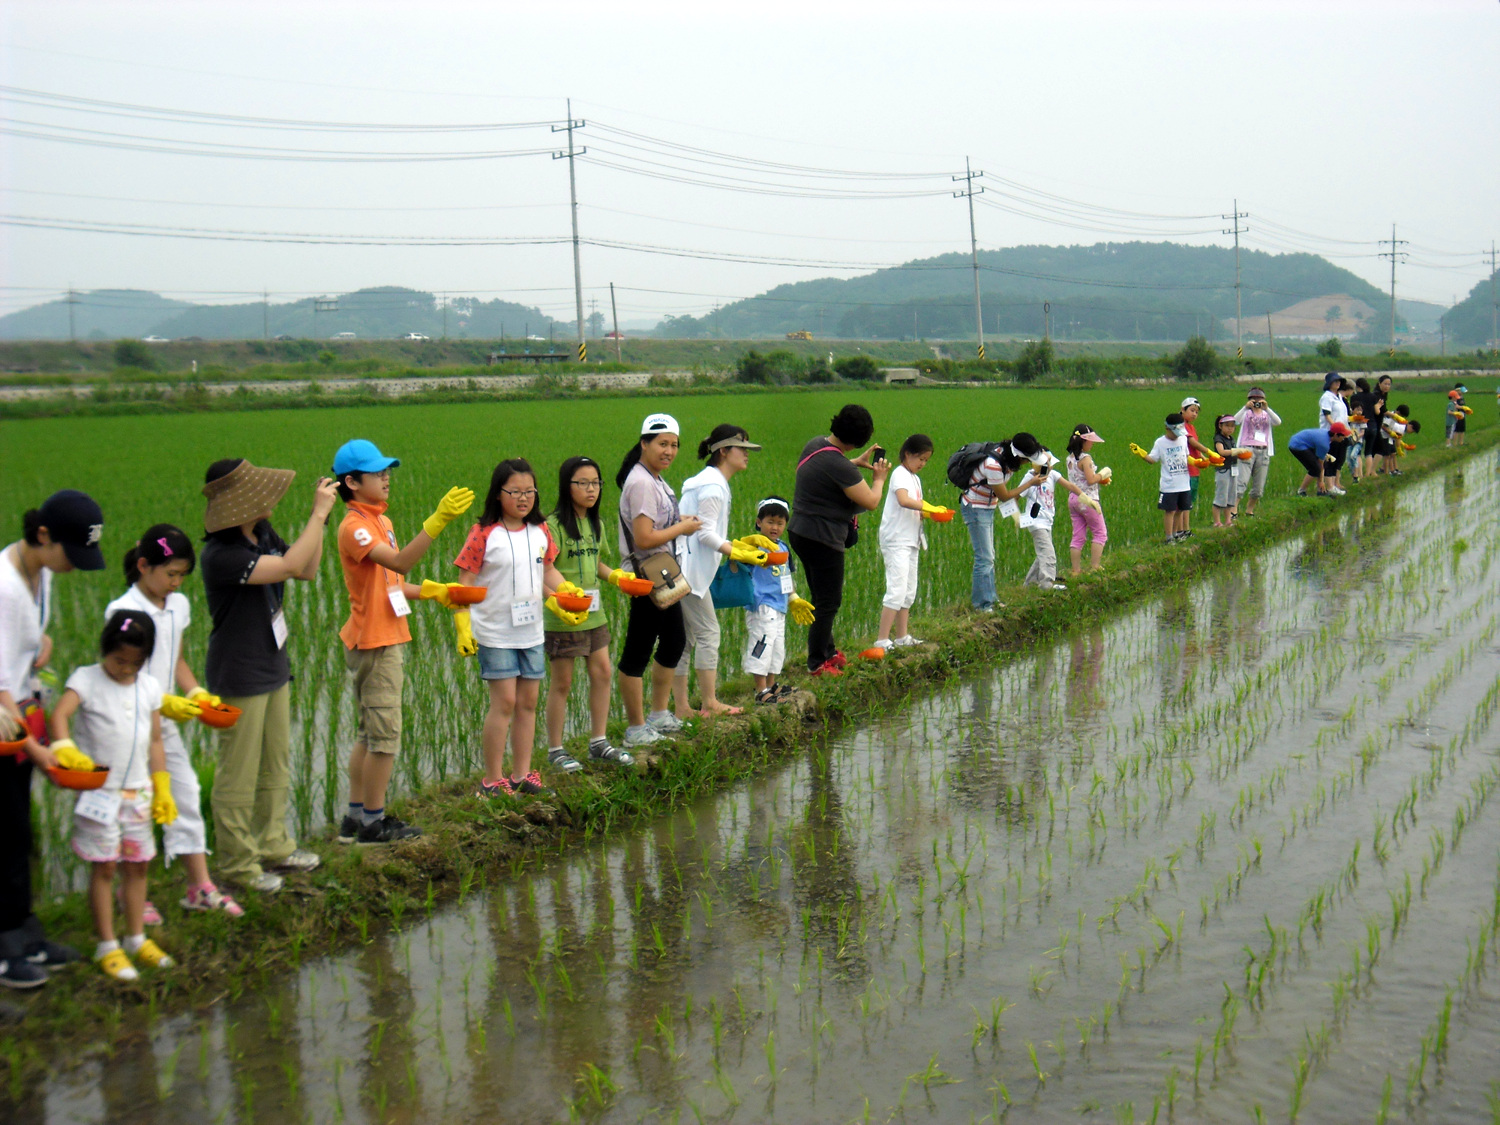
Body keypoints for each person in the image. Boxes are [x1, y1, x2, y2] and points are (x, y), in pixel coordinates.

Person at [201, 459, 336, 894]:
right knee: (238, 772)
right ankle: (239, 864)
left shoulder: (261, 535)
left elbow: (308, 569)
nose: (269, 499)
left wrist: (323, 520)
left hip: (274, 664)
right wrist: (316, 516)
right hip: (239, 673)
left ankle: (274, 845)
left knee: (275, 763)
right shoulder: (222, 556)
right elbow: (290, 567)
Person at [331, 439, 474, 845]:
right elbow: (399, 562)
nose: (386, 477)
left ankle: (355, 819)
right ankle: (373, 824)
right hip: (373, 642)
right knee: (384, 738)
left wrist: (434, 591)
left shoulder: (383, 522)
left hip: (384, 635)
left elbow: (393, 582)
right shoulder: (354, 527)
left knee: (368, 733)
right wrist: (437, 521)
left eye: (387, 470)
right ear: (352, 482)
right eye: (377, 473)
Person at [106, 525, 241, 918]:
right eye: (170, 574)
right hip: (127, 725)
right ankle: (130, 894)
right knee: (136, 808)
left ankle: (199, 887)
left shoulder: (177, 605)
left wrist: (195, 692)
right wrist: (162, 701)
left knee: (184, 796)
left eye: (182, 575)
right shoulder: (123, 612)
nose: (176, 582)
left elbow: (176, 660)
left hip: (161, 726)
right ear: (143, 566)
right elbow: (121, 676)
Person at [0, 489, 102, 988]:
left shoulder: (39, 574)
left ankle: (26, 932)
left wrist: (41, 643)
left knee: (20, 832)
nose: (72, 566)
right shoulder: (3, 586)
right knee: (4, 834)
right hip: (5, 725)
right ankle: (5, 948)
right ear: (43, 535)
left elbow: (19, 647)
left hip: (16, 718)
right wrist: (38, 750)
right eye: (70, 552)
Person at [48, 610, 177, 981]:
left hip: (138, 792)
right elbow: (60, 716)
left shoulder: (148, 687)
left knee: (137, 865)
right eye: (119, 660)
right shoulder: (85, 680)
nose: (125, 668)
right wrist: (63, 747)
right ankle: (108, 944)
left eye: (134, 663)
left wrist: (162, 785)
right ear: (106, 649)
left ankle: (137, 938)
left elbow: (154, 740)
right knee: (104, 866)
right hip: (99, 796)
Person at [454, 458, 574, 798]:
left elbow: (548, 571)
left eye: (530, 491)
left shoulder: (540, 532)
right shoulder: (483, 534)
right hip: (494, 631)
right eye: (515, 492)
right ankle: (492, 780)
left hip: (531, 630)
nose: (524, 498)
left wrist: (564, 592)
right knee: (504, 702)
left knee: (528, 702)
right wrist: (462, 624)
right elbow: (465, 582)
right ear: (498, 493)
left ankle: (522, 775)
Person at [542, 456, 635, 771]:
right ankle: (556, 749)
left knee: (603, 673)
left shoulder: (596, 523)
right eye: (583, 483)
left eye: (595, 483)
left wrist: (617, 577)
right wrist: (563, 595)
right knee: (562, 682)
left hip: (595, 614)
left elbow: (596, 563)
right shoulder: (551, 525)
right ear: (567, 487)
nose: (591, 489)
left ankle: (598, 742)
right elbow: (546, 568)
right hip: (564, 614)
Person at [614, 414, 702, 747]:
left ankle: (658, 714)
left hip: (663, 572)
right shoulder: (641, 482)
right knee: (637, 649)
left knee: (674, 641)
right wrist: (682, 528)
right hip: (646, 577)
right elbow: (644, 538)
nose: (669, 451)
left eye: (674, 445)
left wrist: (678, 519)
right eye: (662, 444)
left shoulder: (654, 479)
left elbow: (655, 521)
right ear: (644, 444)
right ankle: (636, 728)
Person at [674, 424, 767, 718]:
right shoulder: (713, 485)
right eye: (743, 449)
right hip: (687, 572)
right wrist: (737, 551)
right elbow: (704, 534)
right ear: (724, 451)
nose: (747, 455)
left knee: (686, 639)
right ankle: (709, 702)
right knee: (709, 634)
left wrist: (735, 546)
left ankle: (681, 707)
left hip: (680, 568)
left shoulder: (704, 480)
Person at [789, 404, 889, 676]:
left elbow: (830, 467)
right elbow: (870, 501)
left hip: (800, 531)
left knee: (821, 596)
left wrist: (855, 461)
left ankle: (829, 651)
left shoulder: (817, 445)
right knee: (829, 601)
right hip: (822, 537)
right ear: (860, 439)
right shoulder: (838, 465)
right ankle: (817, 662)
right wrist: (878, 478)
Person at [957, 433, 1047, 612]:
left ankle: (991, 599)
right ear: (1019, 456)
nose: (1027, 463)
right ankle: (982, 605)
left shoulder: (1007, 458)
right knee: (984, 558)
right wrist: (1030, 483)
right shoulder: (993, 465)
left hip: (987, 507)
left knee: (989, 555)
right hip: (976, 508)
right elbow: (1004, 495)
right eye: (1027, 460)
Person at [875, 433, 948, 649]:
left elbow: (916, 505)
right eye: (920, 459)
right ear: (908, 454)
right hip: (896, 539)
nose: (923, 464)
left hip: (911, 539)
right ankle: (881, 640)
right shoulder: (899, 474)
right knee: (896, 589)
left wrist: (932, 513)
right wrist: (929, 507)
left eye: (926, 460)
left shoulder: (914, 478)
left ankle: (901, 637)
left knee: (908, 590)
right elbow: (904, 500)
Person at [741, 497, 813, 703]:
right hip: (761, 604)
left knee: (777, 645)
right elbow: (738, 565)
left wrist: (793, 598)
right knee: (762, 642)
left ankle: (772, 685)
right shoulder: (754, 547)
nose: (775, 527)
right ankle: (760, 691)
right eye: (770, 521)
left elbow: (786, 576)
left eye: (780, 523)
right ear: (759, 522)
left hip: (779, 605)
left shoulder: (783, 548)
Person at [1017, 451, 1100, 589]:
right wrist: (1016, 517)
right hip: (1036, 522)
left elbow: (1071, 486)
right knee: (1049, 554)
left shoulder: (1052, 475)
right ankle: (1046, 584)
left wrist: (1087, 499)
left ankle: (1030, 583)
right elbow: (1016, 496)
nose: (1050, 467)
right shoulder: (1030, 478)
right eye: (1047, 464)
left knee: (1043, 553)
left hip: (1047, 521)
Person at [1132, 412, 1192, 542]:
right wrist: (1141, 453)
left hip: (1184, 482)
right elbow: (1152, 459)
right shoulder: (1160, 443)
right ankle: (1169, 537)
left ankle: (1177, 533)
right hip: (1169, 485)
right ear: (1167, 429)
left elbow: (1187, 457)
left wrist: (1199, 462)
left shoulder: (1183, 439)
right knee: (1170, 511)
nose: (1177, 436)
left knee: (1181, 510)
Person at [1065, 425, 1110, 574]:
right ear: (1084, 441)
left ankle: (1076, 570)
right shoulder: (1086, 458)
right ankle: (1095, 566)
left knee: (1078, 536)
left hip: (1073, 499)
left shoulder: (1070, 459)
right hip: (1088, 500)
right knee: (1100, 533)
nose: (1092, 444)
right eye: (1091, 441)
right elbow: (1090, 480)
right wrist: (1103, 474)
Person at [1232, 388, 1282, 517]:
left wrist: (1267, 409)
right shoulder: (1246, 413)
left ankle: (1249, 510)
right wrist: (1245, 408)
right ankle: (1233, 510)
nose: (1256, 402)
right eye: (1253, 399)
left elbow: (1278, 422)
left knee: (1258, 486)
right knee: (1241, 482)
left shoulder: (1266, 415)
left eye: (1259, 399)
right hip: (1247, 449)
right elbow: (1234, 421)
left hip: (1263, 451)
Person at [1177, 397, 1218, 530]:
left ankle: (1185, 529)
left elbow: (1195, 449)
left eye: (1196, 412)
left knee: (1188, 502)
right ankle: (1182, 530)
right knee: (1183, 503)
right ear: (1183, 410)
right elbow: (1192, 442)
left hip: (1194, 469)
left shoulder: (1191, 426)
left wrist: (1205, 459)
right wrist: (1209, 452)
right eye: (1192, 410)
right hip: (1186, 468)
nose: (1195, 414)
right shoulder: (1180, 426)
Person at [1287, 422, 1353, 497]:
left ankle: (1321, 491)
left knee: (1318, 467)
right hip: (1297, 445)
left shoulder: (1326, 437)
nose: (1344, 438)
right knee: (1315, 469)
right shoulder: (1324, 444)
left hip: (1303, 443)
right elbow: (1320, 465)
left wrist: (1321, 481)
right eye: (1343, 436)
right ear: (1336, 435)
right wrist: (1321, 481)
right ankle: (1301, 491)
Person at [1357, 376, 1392, 479]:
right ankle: (1371, 471)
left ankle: (1370, 471)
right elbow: (1381, 411)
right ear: (1379, 383)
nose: (1387, 386)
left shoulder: (1382, 395)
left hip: (1376, 425)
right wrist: (1396, 416)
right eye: (1385, 384)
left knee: (1374, 449)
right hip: (1373, 425)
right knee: (1380, 449)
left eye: (1389, 384)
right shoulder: (1376, 395)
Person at [1210, 415, 1242, 527]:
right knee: (1221, 496)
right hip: (1223, 470)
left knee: (1231, 495)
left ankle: (1228, 520)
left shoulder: (1231, 439)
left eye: (1232, 426)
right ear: (1220, 426)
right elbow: (1222, 452)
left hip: (1233, 470)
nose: (1230, 428)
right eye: (1227, 426)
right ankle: (1217, 522)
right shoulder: (1218, 438)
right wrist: (1236, 451)